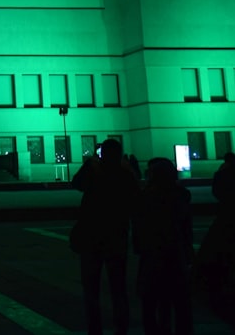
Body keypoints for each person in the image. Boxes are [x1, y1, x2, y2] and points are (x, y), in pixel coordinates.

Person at [70, 138, 139, 335]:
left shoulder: (94, 170)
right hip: (116, 235)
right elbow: (136, 199)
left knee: (91, 288)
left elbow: (76, 184)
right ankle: (122, 325)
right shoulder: (124, 174)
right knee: (118, 287)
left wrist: (89, 165)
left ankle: (95, 327)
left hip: (92, 236)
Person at [132, 157, 193, 335]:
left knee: (151, 302)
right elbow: (185, 228)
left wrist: (140, 247)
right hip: (175, 253)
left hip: (152, 255)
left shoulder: (146, 197)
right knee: (180, 303)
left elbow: (139, 227)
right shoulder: (181, 196)